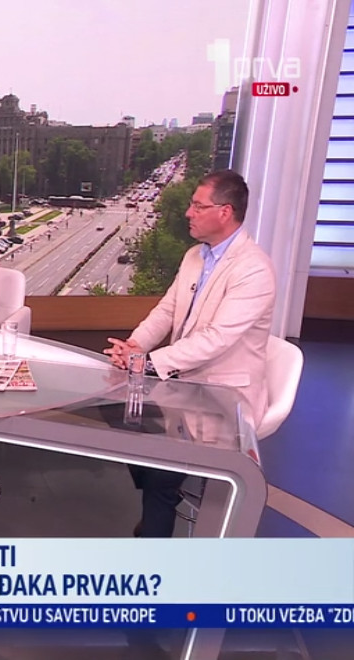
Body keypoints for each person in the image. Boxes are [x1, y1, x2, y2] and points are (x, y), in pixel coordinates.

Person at [104, 170, 275, 538]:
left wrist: (148, 363)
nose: (188, 213)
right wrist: (135, 346)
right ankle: (160, 486)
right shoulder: (195, 256)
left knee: (160, 471)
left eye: (198, 206)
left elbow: (216, 339)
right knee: (115, 410)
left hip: (223, 397)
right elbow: (166, 311)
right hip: (184, 387)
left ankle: (155, 538)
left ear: (225, 212)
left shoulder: (254, 270)